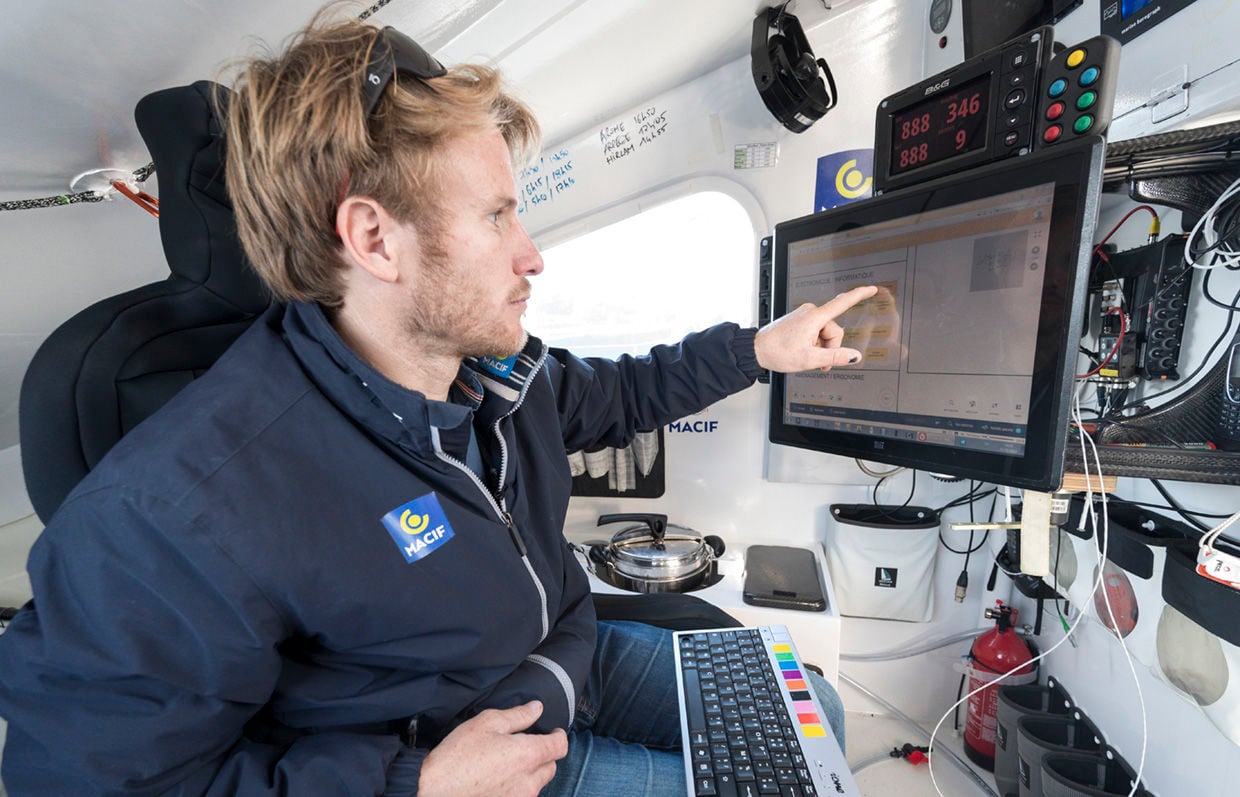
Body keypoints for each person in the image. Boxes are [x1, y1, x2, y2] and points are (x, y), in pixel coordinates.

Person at [0, 7, 876, 796]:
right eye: (497, 216)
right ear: (374, 239)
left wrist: (760, 350)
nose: (532, 255)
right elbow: (81, 780)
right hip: (450, 752)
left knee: (819, 719)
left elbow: (619, 392)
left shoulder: (486, 373)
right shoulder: (175, 507)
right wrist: (412, 784)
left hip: (558, 661)